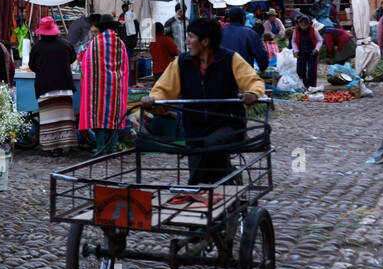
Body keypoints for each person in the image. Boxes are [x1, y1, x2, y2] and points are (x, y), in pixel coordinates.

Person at [142, 17, 265, 184]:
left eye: (190, 37)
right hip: (195, 128)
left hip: (229, 125)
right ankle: (216, 183)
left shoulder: (231, 59)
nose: (186, 42)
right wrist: (153, 100)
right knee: (199, 155)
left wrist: (252, 93)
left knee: (211, 146)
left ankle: (193, 187)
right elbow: (163, 89)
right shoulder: (181, 62)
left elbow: (253, 81)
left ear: (205, 41)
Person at [79, 18, 131, 155]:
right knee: (114, 118)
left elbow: (86, 65)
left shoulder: (95, 43)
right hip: (116, 88)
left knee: (99, 118)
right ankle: (112, 148)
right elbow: (125, 66)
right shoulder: (120, 43)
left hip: (98, 89)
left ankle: (101, 147)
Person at [27, 16, 75, 99]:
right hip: (65, 87)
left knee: (47, 112)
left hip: (45, 89)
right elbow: (72, 59)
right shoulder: (66, 44)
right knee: (64, 112)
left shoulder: (37, 47)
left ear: (41, 33)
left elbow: (32, 66)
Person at [221, 7, 269, 72]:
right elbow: (262, 55)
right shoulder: (250, 33)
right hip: (244, 76)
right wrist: (262, 68)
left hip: (223, 75)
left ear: (229, 19)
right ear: (244, 19)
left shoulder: (221, 32)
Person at [290, 15, 321, 89]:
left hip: (312, 52)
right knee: (300, 70)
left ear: (308, 24)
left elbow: (319, 40)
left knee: (311, 71)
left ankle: (312, 87)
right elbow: (293, 41)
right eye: (301, 25)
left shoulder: (313, 30)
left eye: (305, 25)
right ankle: (304, 85)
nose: (303, 27)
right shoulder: (296, 31)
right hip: (301, 52)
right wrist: (296, 50)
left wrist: (316, 49)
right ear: (299, 24)